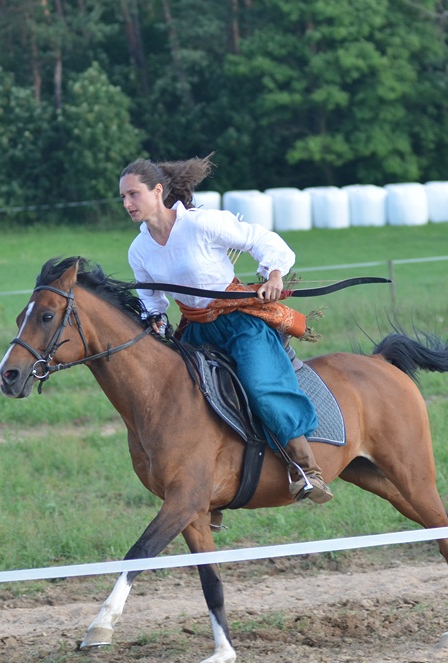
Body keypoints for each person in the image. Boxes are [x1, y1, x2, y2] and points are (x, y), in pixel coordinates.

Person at [120, 155, 333, 504]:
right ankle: (201, 486)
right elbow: (151, 297)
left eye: (133, 195)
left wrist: (274, 274)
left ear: (157, 191)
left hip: (239, 323)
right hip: (195, 332)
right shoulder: (139, 249)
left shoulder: (202, 224)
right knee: (177, 402)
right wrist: (155, 317)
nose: (128, 204)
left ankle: (305, 468)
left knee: (261, 387)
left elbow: (259, 239)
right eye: (123, 198)